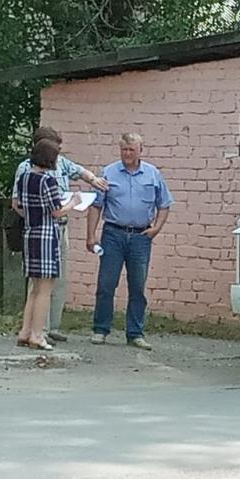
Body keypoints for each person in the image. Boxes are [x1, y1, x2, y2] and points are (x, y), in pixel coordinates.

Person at [12, 126, 109, 344]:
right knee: (42, 285)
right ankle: (39, 331)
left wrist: (94, 180)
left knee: (52, 282)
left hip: (41, 230)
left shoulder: (32, 174)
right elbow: (49, 208)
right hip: (47, 230)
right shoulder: (42, 177)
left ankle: (36, 329)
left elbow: (79, 171)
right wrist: (72, 203)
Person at [86, 132, 173, 350]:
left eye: (131, 150)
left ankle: (135, 333)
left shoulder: (153, 174)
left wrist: (156, 229)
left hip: (141, 237)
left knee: (137, 286)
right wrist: (91, 235)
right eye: (123, 149)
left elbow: (164, 204)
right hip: (113, 234)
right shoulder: (108, 172)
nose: (127, 154)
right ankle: (100, 329)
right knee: (106, 283)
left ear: (140, 150)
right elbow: (96, 205)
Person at [15, 139, 82, 350]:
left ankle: (25, 331)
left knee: (34, 288)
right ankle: (37, 334)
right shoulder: (48, 181)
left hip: (30, 232)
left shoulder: (24, 177)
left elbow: (19, 204)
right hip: (46, 235)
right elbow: (57, 211)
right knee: (45, 289)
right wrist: (74, 202)